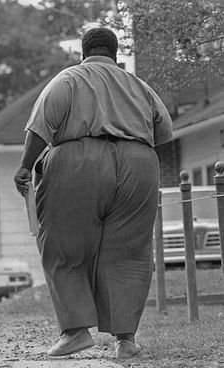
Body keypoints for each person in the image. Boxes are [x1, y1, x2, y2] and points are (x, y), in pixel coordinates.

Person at [14, 27, 173, 359]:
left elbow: (43, 123)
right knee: (129, 254)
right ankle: (126, 341)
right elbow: (165, 131)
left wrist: (26, 166)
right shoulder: (140, 86)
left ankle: (75, 332)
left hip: (78, 161)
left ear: (82, 53)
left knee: (62, 243)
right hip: (140, 162)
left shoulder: (69, 79)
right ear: (116, 54)